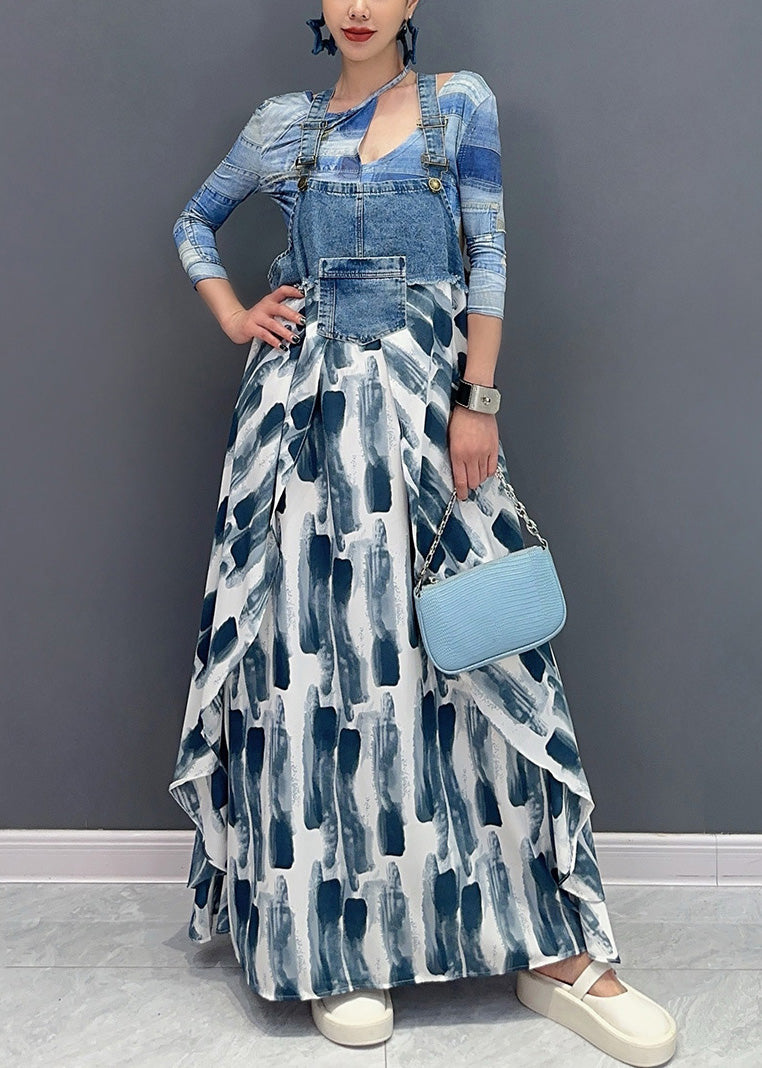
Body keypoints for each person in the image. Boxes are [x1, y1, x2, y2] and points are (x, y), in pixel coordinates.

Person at [167, 1, 677, 1063]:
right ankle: (340, 945)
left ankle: (547, 945)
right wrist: (236, 315)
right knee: (325, 674)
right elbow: (193, 225)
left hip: (432, 421)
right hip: (305, 434)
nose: (359, 5)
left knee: (479, 653)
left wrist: (476, 403)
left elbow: (488, 256)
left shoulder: (460, 107)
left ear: (411, 4)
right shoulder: (281, 125)